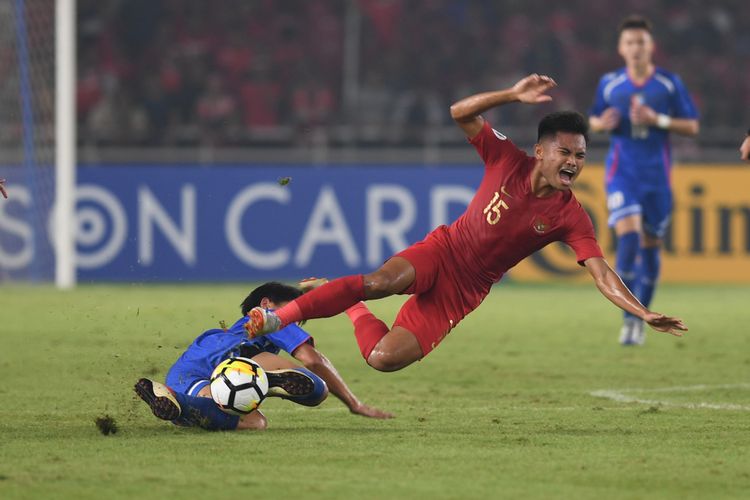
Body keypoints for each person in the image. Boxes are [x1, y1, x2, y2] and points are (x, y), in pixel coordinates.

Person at [244, 74, 688, 373]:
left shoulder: (570, 215)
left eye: (580, 157)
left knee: (382, 359)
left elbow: (602, 273)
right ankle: (277, 319)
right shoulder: (505, 157)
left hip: (467, 289)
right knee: (379, 281)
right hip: (444, 250)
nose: (573, 163)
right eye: (565, 153)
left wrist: (642, 310)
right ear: (540, 151)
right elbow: (460, 112)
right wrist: (512, 95)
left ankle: (351, 306)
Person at [135, 281, 392, 431]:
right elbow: (313, 360)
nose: (295, 321)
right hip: (222, 369)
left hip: (185, 374)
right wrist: (353, 404)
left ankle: (176, 402)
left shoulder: (236, 329)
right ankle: (266, 380)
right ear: (266, 304)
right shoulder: (271, 320)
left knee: (256, 422)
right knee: (317, 389)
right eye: (293, 311)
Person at [588, 16, 699, 345]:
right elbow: (593, 119)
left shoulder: (667, 83)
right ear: (621, 49)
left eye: (642, 42)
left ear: (651, 47)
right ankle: (630, 318)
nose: (636, 47)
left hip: (657, 178)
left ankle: (643, 314)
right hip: (622, 173)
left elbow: (691, 126)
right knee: (629, 238)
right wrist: (601, 123)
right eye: (630, 42)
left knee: (651, 248)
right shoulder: (609, 83)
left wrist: (657, 119)